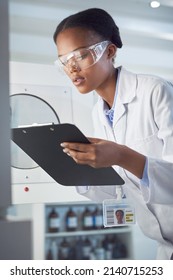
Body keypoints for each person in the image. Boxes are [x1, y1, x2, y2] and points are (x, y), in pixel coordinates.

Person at [53, 8, 173, 259]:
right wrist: (76, 170)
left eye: (81, 56)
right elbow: (118, 191)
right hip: (164, 247)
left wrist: (121, 155)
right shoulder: (100, 112)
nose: (72, 68)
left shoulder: (156, 91)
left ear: (109, 51)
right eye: (64, 60)